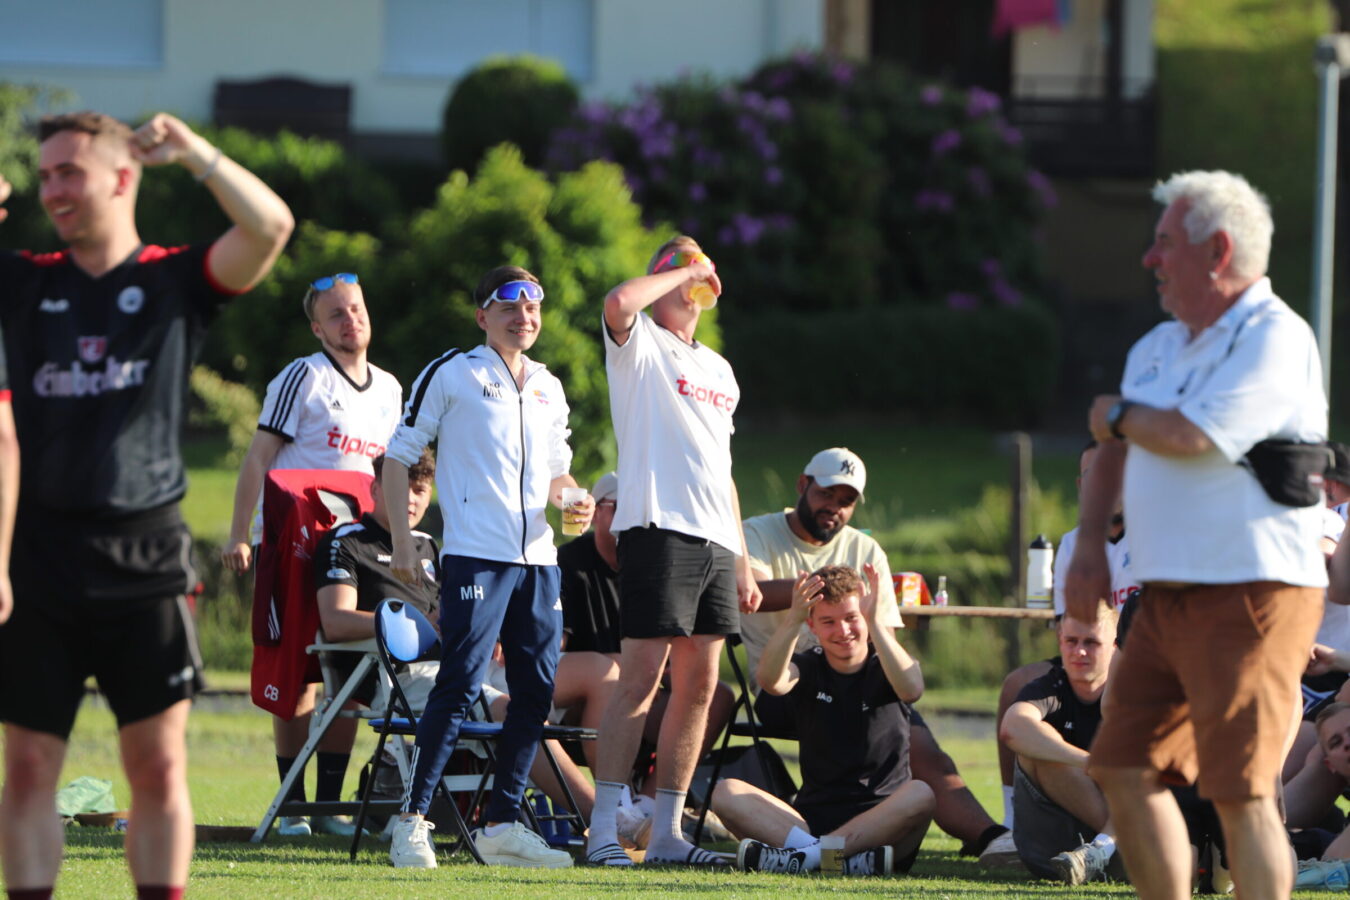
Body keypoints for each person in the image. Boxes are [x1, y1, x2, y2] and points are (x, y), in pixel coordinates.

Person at [0, 111, 292, 899]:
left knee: (157, 764)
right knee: (28, 767)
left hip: (147, 556)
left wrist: (195, 152)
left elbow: (270, 227)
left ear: (123, 176)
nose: (52, 190)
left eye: (70, 172)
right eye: (44, 175)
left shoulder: (172, 278)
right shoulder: (26, 281)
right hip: (39, 560)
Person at [1067, 170, 1327, 900]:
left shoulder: (1275, 336)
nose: (1149, 259)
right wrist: (1088, 546)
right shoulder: (1156, 344)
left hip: (1255, 592)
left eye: (1164, 244)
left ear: (1217, 251)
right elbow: (1114, 453)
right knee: (1122, 767)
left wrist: (1118, 414)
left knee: (1242, 790)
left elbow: (1190, 436)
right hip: (1165, 594)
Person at [382, 265, 591, 870]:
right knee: (460, 685)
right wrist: (402, 539)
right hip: (476, 555)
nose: (524, 317)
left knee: (535, 692)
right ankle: (411, 824)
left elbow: (556, 474)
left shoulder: (549, 385)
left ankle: (500, 826)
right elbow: (398, 456)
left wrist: (572, 500)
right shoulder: (453, 372)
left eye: (533, 308)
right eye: (509, 307)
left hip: (539, 562)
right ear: (482, 317)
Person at [585, 235, 762, 868]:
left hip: (714, 540)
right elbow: (618, 302)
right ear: (664, 276)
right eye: (684, 263)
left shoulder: (720, 368)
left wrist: (741, 557)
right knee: (640, 679)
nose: (699, 273)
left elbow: (723, 468)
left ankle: (665, 834)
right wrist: (684, 271)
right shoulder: (642, 345)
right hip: (658, 529)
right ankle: (603, 830)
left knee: (701, 686)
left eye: (703, 263)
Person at [739, 447, 1008, 860]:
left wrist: (865, 619)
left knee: (920, 743)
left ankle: (991, 837)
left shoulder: (866, 550)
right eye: (826, 494)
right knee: (733, 787)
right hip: (791, 681)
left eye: (846, 501)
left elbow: (896, 662)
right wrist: (820, 593)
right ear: (802, 485)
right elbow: (751, 594)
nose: (835, 507)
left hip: (855, 679)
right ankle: (835, 852)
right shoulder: (758, 533)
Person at [315, 451, 597, 831]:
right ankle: (601, 820)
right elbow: (335, 622)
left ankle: (614, 807)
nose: (410, 499)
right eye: (401, 488)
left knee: (558, 686)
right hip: (396, 674)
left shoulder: (429, 545)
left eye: (420, 490)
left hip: (459, 662)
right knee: (509, 709)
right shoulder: (348, 542)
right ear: (377, 488)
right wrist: (417, 626)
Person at [225, 271, 402, 837]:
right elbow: (259, 456)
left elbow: (392, 473)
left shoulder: (390, 388)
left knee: (348, 671)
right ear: (317, 328)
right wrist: (239, 534)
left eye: (357, 309)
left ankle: (329, 808)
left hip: (355, 547)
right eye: (336, 314)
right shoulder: (303, 376)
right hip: (294, 542)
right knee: (297, 668)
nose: (351, 321)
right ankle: (291, 805)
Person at [714, 565, 933, 876]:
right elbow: (771, 682)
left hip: (882, 828)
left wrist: (876, 622)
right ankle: (835, 861)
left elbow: (912, 689)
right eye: (828, 622)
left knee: (921, 793)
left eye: (851, 618)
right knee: (726, 791)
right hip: (811, 823)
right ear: (812, 626)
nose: (842, 631)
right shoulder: (808, 665)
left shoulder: (886, 662)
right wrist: (792, 619)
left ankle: (810, 857)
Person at [985, 439, 1136, 869]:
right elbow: (1071, 626)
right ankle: (1013, 820)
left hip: (1142, 661)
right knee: (1018, 686)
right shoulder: (1073, 542)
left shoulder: (1159, 539)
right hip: (1098, 651)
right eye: (1092, 476)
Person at [1000, 609, 1122, 884]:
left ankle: (1104, 849)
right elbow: (1013, 727)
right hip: (1055, 848)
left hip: (1128, 819)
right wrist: (1089, 763)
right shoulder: (1049, 687)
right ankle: (1113, 849)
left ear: (1116, 646)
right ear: (1059, 641)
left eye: (1091, 642)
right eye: (1071, 641)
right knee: (1038, 747)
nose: (1079, 652)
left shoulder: (1135, 691)